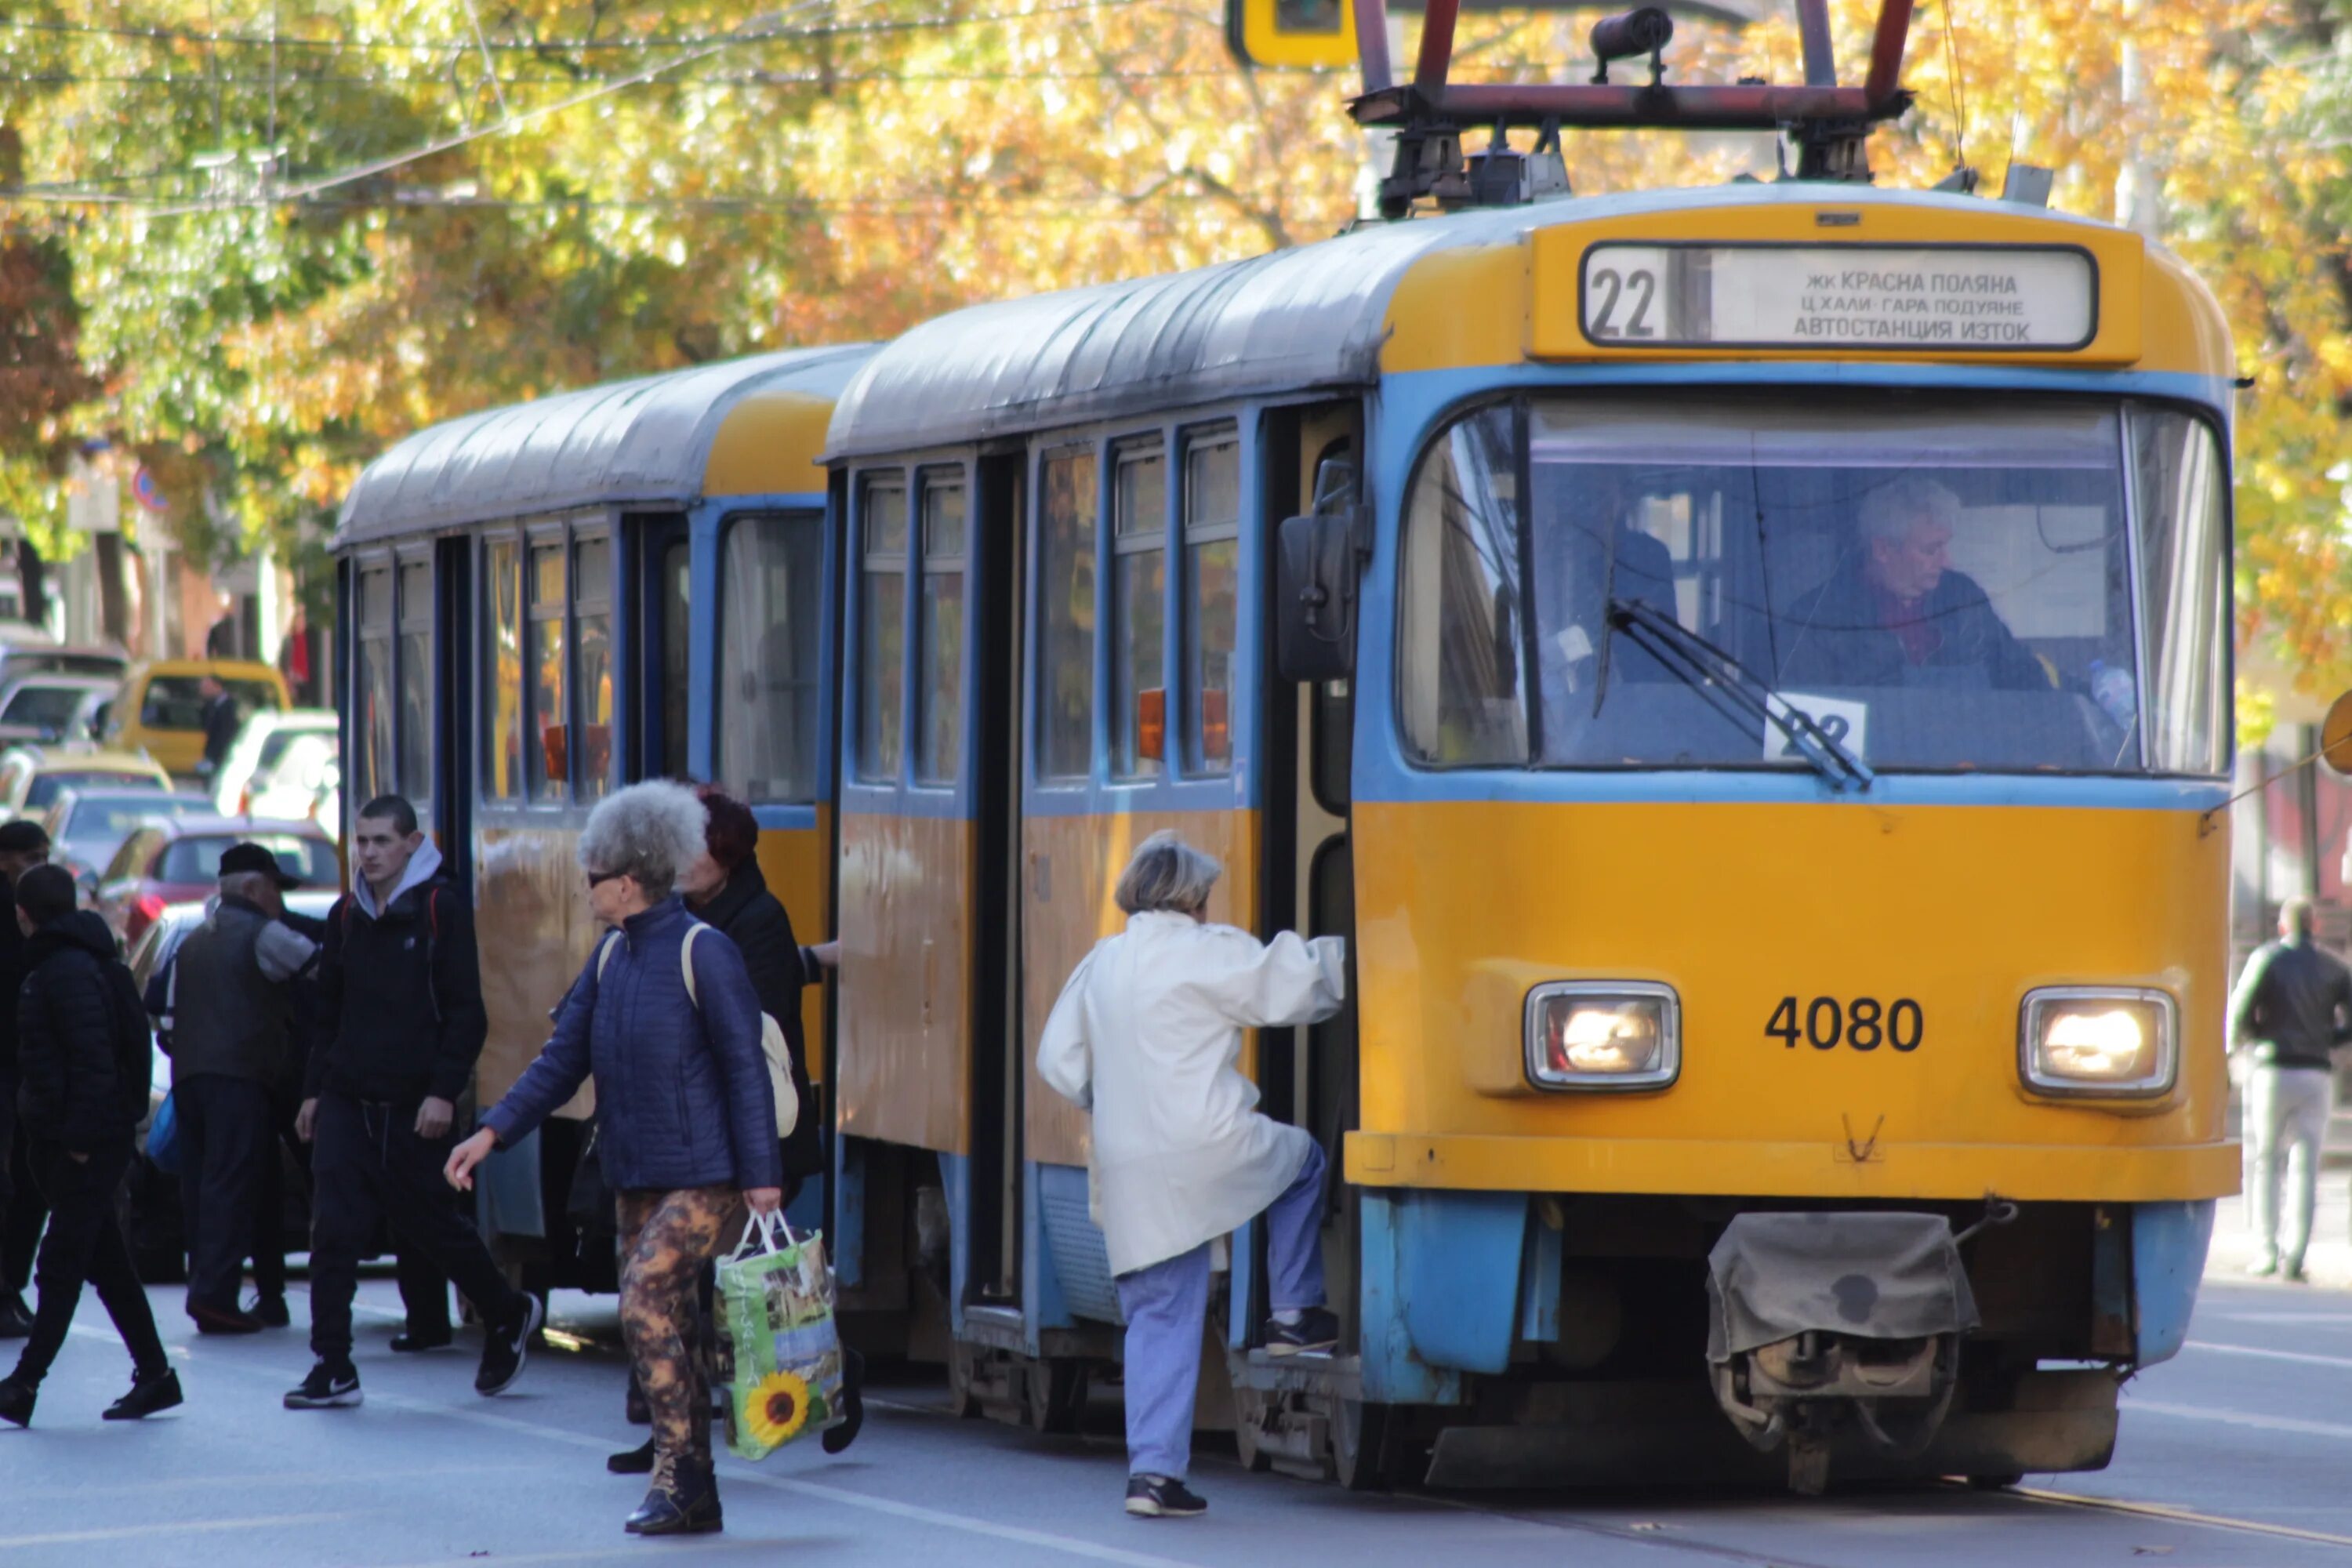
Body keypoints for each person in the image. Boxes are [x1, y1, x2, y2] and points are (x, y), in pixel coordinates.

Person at [447, 781, 779, 1539]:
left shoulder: (706, 951)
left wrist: (761, 1178)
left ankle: (682, 1471)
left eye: (592, 876)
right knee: (671, 1321)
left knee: (646, 1299)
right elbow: (559, 1062)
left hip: (709, 1171)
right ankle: (695, 1484)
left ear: (629, 881)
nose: (585, 888)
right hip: (636, 1171)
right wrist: (492, 1133)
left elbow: (744, 1068)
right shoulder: (609, 959)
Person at [1036, 830, 1346, 1519]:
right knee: (1302, 1164)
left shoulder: (1103, 961)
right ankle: (1294, 1313)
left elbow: (1057, 1061)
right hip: (1206, 1144)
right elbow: (1288, 984)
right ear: (1192, 897)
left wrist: (1109, 1095)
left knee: (1158, 1315)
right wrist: (1356, 955)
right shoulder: (1206, 951)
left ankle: (1152, 1476)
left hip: (1127, 1163)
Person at [601, 783, 853, 1475]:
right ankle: (669, 1438)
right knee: (689, 1294)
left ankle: (832, 1375)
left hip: (751, 1137)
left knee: (716, 1288)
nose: (685, 861)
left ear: (728, 859)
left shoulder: (757, 919)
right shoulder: (672, 917)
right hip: (695, 1138)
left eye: (700, 850)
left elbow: (752, 1034)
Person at [286, 793, 542, 1411]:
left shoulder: (439, 908)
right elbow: (330, 1016)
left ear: (410, 843)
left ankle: (507, 1313)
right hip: (349, 1097)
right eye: (362, 841)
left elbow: (466, 1014)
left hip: (413, 1103)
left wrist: (441, 1092)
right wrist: (315, 1092)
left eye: (380, 841)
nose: (368, 853)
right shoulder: (345, 915)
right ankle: (332, 1363)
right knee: (334, 1231)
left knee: (430, 1224)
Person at [0, 866, 180, 1426]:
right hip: (78, 1141)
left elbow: (91, 1060)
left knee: (60, 1266)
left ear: (24, 916)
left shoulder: (65, 971)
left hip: (84, 1145)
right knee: (108, 1267)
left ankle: (24, 1384)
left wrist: (78, 1141)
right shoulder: (81, 962)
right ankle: (156, 1376)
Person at [164, 842, 317, 1334]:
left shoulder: (191, 941)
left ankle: (209, 1287)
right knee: (233, 1185)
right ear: (254, 888)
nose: (281, 902)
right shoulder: (264, 933)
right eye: (276, 889)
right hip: (242, 1079)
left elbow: (160, 1012)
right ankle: (215, 1297)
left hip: (188, 1081)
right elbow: (320, 972)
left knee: (204, 1187)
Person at [1776, 475, 2049, 693]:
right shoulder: (1815, 619)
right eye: (1931, 550)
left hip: (1969, 755)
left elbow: (2024, 677)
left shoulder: (1963, 596)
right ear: (1883, 550)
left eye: (1945, 546)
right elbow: (1805, 717)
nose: (1947, 561)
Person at [2229, 898, 2352, 1282]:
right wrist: (2329, 1038)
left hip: (2272, 1068)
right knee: (2305, 1166)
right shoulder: (2334, 967)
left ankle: (2266, 1249)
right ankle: (2297, 1254)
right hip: (2316, 1072)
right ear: (2315, 926)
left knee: (2265, 1161)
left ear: (2284, 926)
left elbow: (2240, 1011)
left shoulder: (2267, 960)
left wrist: (2247, 1040)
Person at [0, 821, 53, 1338]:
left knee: (30, 1183)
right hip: (11, 1066)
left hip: (26, 1067)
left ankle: (11, 1284)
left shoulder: (42, 914)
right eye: (29, 858)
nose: (39, 867)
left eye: (45, 857)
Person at [196, 674, 239, 780]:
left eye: (206, 687)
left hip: (222, 757)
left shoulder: (230, 707)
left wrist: (215, 757)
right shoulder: (210, 705)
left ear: (217, 687)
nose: (203, 691)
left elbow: (225, 734)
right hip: (212, 756)